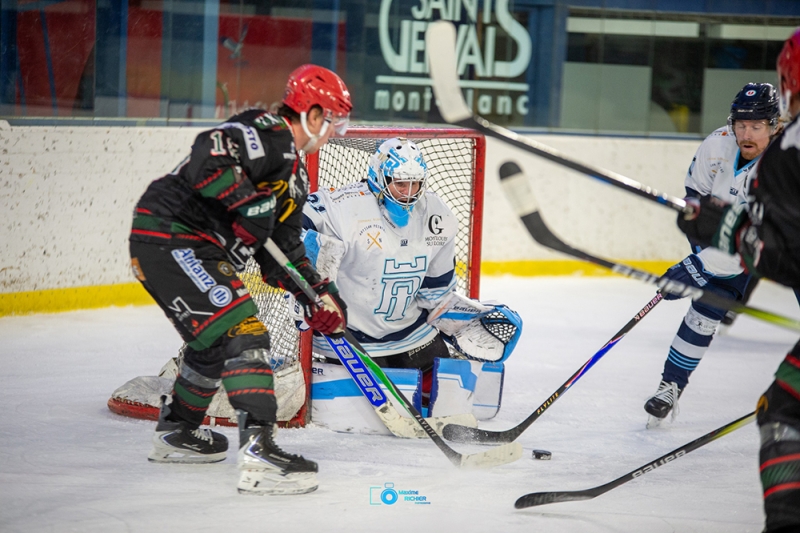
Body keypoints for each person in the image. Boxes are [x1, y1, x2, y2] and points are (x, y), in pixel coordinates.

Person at [128, 64, 351, 495]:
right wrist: (247, 203)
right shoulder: (267, 132)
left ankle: (179, 432)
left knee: (213, 344)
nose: (334, 130)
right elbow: (206, 153)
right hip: (171, 234)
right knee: (244, 330)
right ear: (314, 112)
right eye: (334, 119)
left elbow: (282, 256)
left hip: (197, 248)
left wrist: (318, 293)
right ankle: (260, 452)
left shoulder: (295, 178)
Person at [676, 28, 800, 533]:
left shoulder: (790, 148)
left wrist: (734, 232)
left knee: (783, 411)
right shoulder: (724, 149)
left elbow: (787, 256)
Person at [300, 137, 521, 401]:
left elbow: (435, 293)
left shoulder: (436, 215)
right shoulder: (340, 206)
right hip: (349, 341)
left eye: (415, 184)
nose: (409, 193)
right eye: (401, 184)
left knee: (445, 399)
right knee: (366, 409)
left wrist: (468, 318)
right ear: (379, 178)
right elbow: (286, 223)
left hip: (413, 336)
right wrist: (305, 244)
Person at [644, 82, 780, 428]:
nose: (746, 134)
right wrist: (702, 266)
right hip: (730, 240)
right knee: (709, 302)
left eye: (757, 126)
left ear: (775, 126)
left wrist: (696, 268)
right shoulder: (718, 143)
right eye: (741, 125)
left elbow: (761, 240)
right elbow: (696, 208)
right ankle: (670, 386)